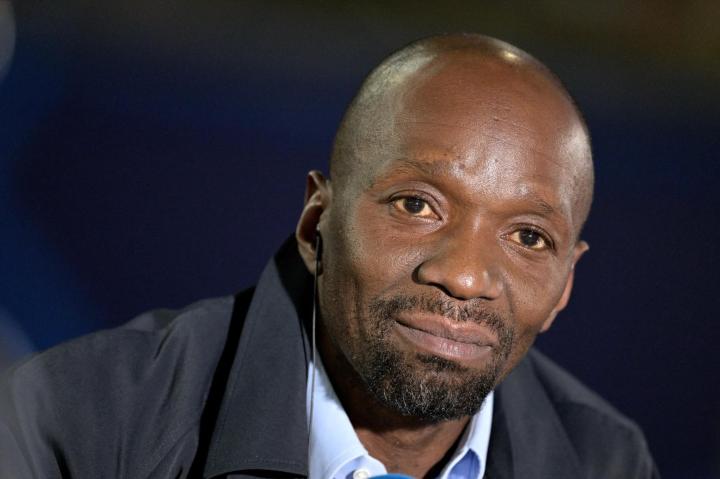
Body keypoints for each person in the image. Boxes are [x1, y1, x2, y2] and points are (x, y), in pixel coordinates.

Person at [0, 33, 658, 479]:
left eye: (529, 238)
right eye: (416, 205)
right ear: (316, 225)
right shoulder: (73, 424)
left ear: (565, 284)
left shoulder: (607, 461)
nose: (463, 275)